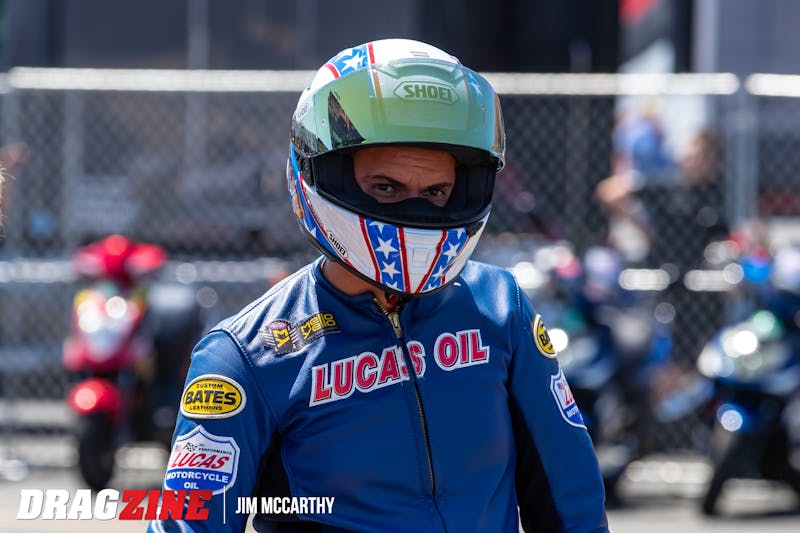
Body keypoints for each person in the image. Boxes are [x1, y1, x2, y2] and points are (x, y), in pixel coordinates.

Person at [148, 39, 608, 532]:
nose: (415, 208)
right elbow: (190, 523)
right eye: (386, 187)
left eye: (436, 191)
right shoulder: (245, 355)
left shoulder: (500, 308)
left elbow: (569, 495)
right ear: (322, 171)